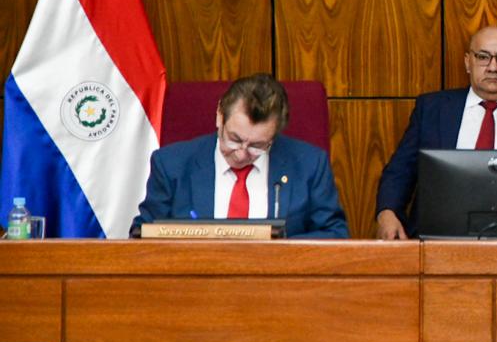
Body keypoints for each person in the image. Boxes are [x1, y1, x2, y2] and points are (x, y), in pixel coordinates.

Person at [376, 26, 497, 238]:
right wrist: (387, 212)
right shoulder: (433, 109)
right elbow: (400, 170)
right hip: (440, 235)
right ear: (468, 62)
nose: (493, 67)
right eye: (483, 57)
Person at [133, 74, 348, 238]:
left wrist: (279, 250)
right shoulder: (172, 165)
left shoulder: (310, 165)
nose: (242, 153)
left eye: (258, 145)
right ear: (219, 116)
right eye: (234, 139)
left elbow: (335, 234)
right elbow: (141, 233)